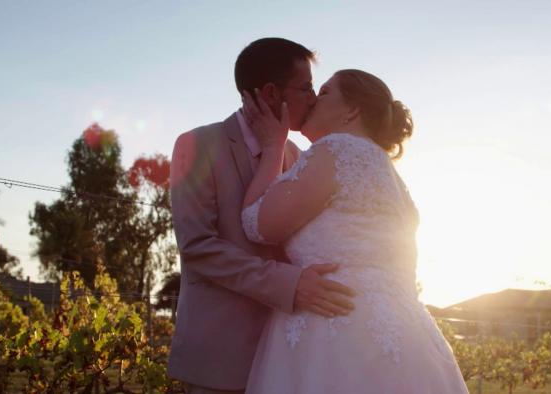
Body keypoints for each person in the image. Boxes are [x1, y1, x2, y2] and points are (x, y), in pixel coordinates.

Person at [240, 69, 469, 393]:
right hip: (406, 335)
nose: (313, 101)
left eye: (325, 93)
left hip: (333, 329)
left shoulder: (335, 150)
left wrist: (273, 148)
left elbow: (255, 223)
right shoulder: (388, 172)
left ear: (352, 109)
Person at [167, 38, 356, 394]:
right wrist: (290, 284)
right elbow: (198, 247)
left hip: (288, 357)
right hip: (219, 361)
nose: (313, 98)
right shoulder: (196, 146)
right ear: (272, 93)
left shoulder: (300, 157)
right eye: (306, 87)